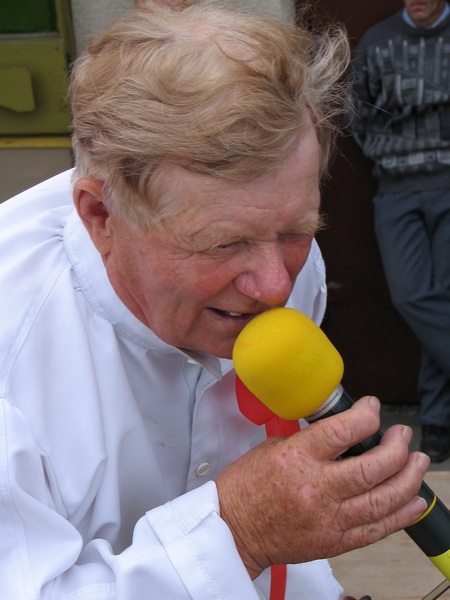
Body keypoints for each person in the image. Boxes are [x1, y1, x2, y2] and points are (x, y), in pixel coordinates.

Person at [0, 2, 430, 599]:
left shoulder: (280, 264)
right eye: (223, 244)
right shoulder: (14, 347)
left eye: (298, 230)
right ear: (101, 216)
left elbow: (271, 493)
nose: (275, 287)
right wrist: (240, 534)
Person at [347, 0, 450, 462]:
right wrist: (387, 156)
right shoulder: (378, 42)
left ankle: (439, 423)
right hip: (395, 188)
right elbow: (355, 110)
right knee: (412, 295)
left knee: (444, 298)